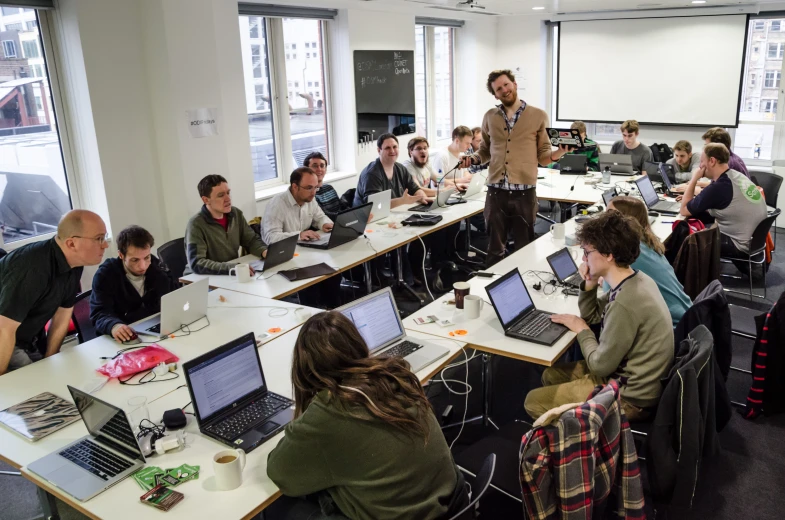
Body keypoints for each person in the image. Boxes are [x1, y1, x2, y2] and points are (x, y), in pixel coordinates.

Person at [267, 311, 469, 519]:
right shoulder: (395, 376)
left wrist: (304, 417)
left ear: (305, 369)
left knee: (284, 507)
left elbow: (279, 473)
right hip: (451, 503)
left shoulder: (328, 412)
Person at [524, 211, 674, 422]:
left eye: (587, 252)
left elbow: (599, 365)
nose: (584, 258)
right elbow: (593, 315)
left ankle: (575, 443)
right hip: (632, 377)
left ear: (608, 254)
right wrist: (590, 284)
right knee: (550, 375)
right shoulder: (635, 280)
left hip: (630, 397)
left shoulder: (625, 302)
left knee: (533, 401)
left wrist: (582, 331)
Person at [460, 69, 571, 267]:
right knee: (494, 249)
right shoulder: (489, 117)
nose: (504, 90)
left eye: (506, 85)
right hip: (496, 193)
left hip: (524, 194)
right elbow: (485, 151)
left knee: (524, 247)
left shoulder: (538, 116)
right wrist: (473, 159)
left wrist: (559, 152)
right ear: (495, 94)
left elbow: (544, 157)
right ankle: (492, 290)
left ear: (515, 84)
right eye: (498, 89)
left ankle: (525, 291)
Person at [0, 210, 108, 374]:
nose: (105, 244)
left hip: (28, 338)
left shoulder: (75, 263)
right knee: (34, 389)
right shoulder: (32, 269)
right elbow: (4, 329)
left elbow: (62, 317)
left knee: (50, 378)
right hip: (6, 339)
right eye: (99, 238)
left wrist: (51, 360)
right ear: (71, 244)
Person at [606, 197, 692, 327]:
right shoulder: (647, 243)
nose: (603, 219)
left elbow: (608, 298)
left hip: (672, 328)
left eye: (609, 214)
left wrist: (604, 275)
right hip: (686, 316)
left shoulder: (626, 253)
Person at [90, 225, 179, 342]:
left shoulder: (158, 268)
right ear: (121, 255)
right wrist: (114, 326)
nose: (143, 266)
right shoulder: (106, 275)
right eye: (135, 260)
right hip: (123, 337)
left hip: (154, 332)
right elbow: (99, 314)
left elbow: (173, 295)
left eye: (147, 257)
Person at [679, 143, 767, 257]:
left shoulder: (719, 187)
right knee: (698, 217)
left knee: (686, 238)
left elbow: (684, 210)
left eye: (701, 162)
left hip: (739, 245)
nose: (700, 166)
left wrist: (694, 178)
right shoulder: (735, 175)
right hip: (753, 241)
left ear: (712, 161)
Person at [184, 174, 267, 275]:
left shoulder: (236, 214)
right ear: (206, 200)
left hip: (229, 273)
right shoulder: (196, 224)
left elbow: (250, 240)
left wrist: (264, 251)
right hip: (202, 280)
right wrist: (231, 268)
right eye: (221, 195)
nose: (228, 198)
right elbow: (197, 263)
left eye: (228, 193)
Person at [353, 133, 429, 209]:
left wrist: (421, 197)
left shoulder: (401, 168)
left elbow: (415, 189)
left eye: (395, 147)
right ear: (379, 150)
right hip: (369, 218)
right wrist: (402, 201)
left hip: (394, 213)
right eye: (387, 148)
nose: (392, 151)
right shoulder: (371, 174)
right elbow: (375, 205)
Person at [263, 167, 333, 245]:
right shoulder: (276, 205)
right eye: (309, 188)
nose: (313, 193)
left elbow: (320, 217)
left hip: (301, 247)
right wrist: (299, 235)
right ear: (295, 187)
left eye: (316, 187)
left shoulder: (309, 199)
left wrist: (324, 224)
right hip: (282, 251)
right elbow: (270, 237)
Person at [308, 152, 351, 222]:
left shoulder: (329, 188)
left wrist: (355, 213)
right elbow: (325, 216)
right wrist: (349, 216)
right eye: (315, 166)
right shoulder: (309, 194)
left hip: (341, 223)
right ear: (307, 170)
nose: (319, 169)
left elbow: (341, 207)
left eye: (322, 166)